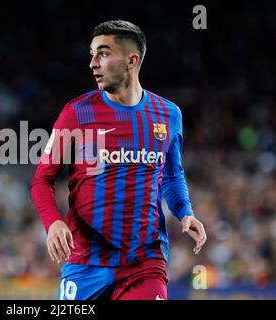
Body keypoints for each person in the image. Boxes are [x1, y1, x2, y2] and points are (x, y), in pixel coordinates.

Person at [31, 20, 207, 300]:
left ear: (131, 60)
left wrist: (185, 211)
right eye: (92, 54)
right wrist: (53, 222)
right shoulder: (76, 113)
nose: (92, 63)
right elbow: (43, 179)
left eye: (102, 53)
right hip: (86, 262)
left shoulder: (168, 115)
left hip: (144, 263)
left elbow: (171, 176)